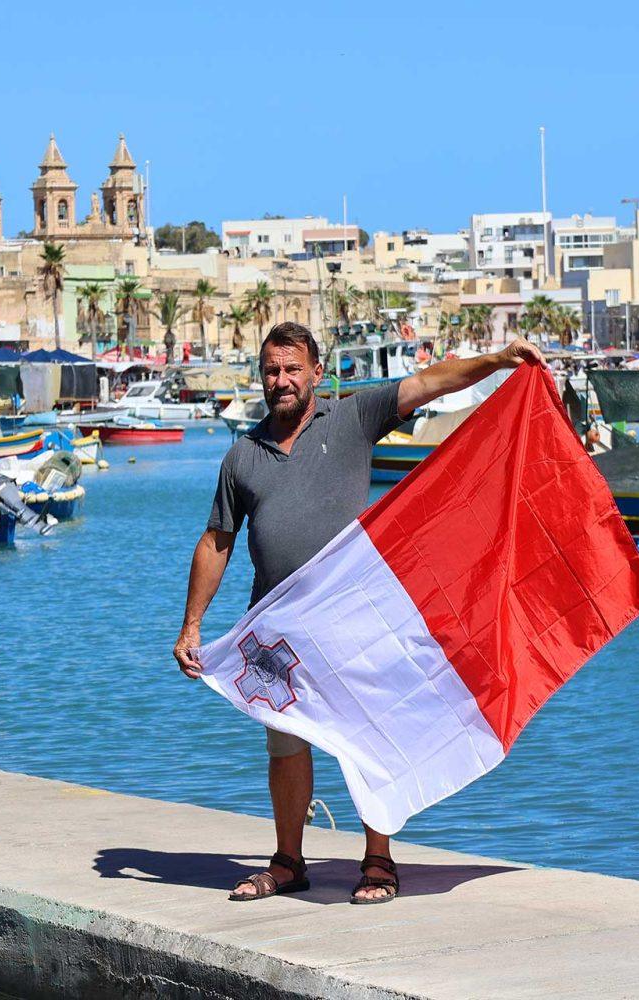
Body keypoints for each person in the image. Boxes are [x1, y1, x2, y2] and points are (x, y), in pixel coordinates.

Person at [173, 321, 543, 904]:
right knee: (286, 745)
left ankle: (378, 861)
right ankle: (289, 862)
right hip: (277, 630)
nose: (282, 381)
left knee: (368, 737)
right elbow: (217, 540)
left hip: (353, 620)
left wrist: (498, 360)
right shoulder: (242, 456)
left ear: (317, 373)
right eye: (272, 370)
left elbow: (429, 384)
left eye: (293, 369)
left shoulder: (352, 419)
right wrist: (192, 623)